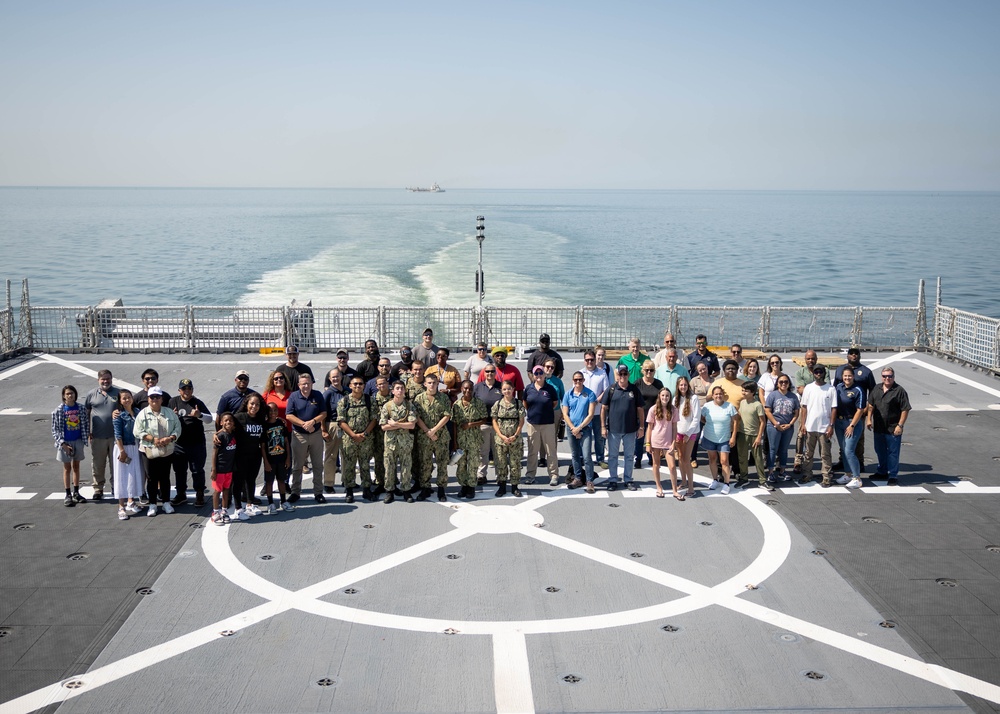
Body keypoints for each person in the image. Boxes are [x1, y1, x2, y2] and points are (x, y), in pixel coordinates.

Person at [133, 386, 181, 517]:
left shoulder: (169, 413)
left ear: (162, 399)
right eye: (152, 397)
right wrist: (153, 439)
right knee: (152, 478)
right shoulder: (142, 414)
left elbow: (178, 428)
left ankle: (166, 502)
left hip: (166, 449)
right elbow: (137, 431)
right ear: (148, 399)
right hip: (149, 450)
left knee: (165, 477)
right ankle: (152, 504)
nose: (155, 399)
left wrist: (170, 438)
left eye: (157, 397)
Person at [168, 378, 212, 508]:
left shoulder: (197, 402)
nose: (187, 391)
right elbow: (165, 419)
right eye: (184, 389)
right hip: (179, 444)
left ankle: (199, 493)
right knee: (179, 471)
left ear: (192, 390)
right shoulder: (173, 401)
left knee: (197, 470)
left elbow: (209, 419)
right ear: (179, 390)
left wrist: (199, 415)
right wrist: (173, 417)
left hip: (196, 444)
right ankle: (181, 494)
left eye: (189, 388)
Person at [601, 364, 645, 491]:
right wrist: (603, 426)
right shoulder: (611, 389)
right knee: (613, 456)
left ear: (628, 375)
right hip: (613, 430)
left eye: (625, 374)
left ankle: (628, 479)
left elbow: (640, 409)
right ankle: (613, 480)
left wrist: (641, 427)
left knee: (629, 456)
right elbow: (603, 408)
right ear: (617, 375)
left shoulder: (634, 390)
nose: (623, 376)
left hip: (630, 429)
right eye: (621, 374)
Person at [285, 373, 327, 503]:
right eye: (303, 383)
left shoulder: (318, 395)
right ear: (299, 385)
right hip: (299, 435)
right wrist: (304, 424)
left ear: (312, 383)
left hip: (315, 434)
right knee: (297, 465)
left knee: (318, 465)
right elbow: (289, 415)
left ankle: (318, 492)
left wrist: (313, 422)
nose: (306, 386)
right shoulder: (294, 396)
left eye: (308, 383)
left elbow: (324, 413)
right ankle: (295, 492)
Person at [833, 347, 877, 472]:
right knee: (843, 440)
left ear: (859, 356)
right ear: (847, 356)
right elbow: (835, 388)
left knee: (858, 439)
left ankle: (860, 462)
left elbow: (873, 393)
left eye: (856, 354)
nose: (853, 356)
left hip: (858, 411)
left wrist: (867, 410)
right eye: (851, 353)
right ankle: (843, 461)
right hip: (842, 411)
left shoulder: (866, 372)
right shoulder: (840, 370)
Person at [867, 366, 911, 486]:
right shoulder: (877, 388)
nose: (887, 378)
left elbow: (905, 409)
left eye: (889, 376)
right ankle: (882, 471)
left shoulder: (899, 391)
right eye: (884, 376)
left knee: (893, 453)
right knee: (879, 451)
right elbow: (870, 405)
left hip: (893, 428)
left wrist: (900, 425)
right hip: (879, 427)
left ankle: (893, 475)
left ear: (893, 377)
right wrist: (868, 419)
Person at [338, 376, 377, 503]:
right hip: (349, 439)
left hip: (366, 439)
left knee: (365, 464)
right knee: (349, 465)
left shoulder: (369, 400)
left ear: (364, 386)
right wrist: (353, 435)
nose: (358, 386)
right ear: (350, 386)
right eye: (355, 384)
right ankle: (349, 490)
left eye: (360, 384)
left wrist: (365, 434)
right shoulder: (344, 401)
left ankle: (366, 489)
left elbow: (374, 419)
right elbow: (341, 421)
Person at [413, 374, 452, 501]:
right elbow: (417, 417)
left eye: (434, 382)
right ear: (425, 384)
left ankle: (441, 489)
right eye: (429, 382)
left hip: (440, 436)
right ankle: (425, 488)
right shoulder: (419, 398)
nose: (432, 385)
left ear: (438, 383)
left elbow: (446, 415)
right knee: (425, 463)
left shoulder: (443, 398)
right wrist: (427, 431)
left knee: (442, 463)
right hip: (424, 437)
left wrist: (434, 430)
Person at [799, 364, 838, 487]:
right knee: (808, 453)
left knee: (825, 454)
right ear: (813, 374)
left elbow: (834, 409)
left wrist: (831, 425)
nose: (818, 374)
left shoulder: (831, 389)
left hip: (825, 428)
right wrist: (803, 424)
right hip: (810, 427)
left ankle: (826, 476)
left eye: (821, 372)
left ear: (824, 373)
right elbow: (804, 407)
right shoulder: (808, 388)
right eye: (816, 372)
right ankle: (807, 474)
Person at [85, 369, 119, 500]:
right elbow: (87, 413)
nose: (106, 381)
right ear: (98, 380)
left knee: (115, 464)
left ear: (111, 379)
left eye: (108, 379)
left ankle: (116, 487)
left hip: (116, 436)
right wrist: (87, 432)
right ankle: (98, 488)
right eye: (103, 379)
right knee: (98, 464)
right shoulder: (91, 394)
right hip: (97, 436)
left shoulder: (118, 393)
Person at [380, 382, 417, 503]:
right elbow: (384, 427)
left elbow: (411, 425)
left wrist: (396, 424)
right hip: (391, 442)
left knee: (406, 466)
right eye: (397, 388)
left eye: (402, 388)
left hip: (405, 442)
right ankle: (389, 491)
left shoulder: (409, 406)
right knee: (389, 467)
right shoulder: (387, 406)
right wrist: (402, 426)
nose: (400, 390)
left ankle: (406, 490)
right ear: (393, 391)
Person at [52, 385, 89, 507]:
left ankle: (76, 492)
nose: (70, 395)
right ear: (64, 396)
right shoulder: (58, 410)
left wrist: (87, 435)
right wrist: (62, 444)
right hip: (65, 442)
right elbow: (55, 430)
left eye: (72, 393)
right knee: (67, 468)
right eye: (67, 393)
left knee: (76, 466)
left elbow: (86, 424)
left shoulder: (81, 408)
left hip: (78, 440)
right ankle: (67, 494)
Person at [523, 365, 560, 486]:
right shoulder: (528, 389)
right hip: (533, 424)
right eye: (536, 373)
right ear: (533, 376)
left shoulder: (550, 389)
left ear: (544, 374)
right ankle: (530, 475)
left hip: (548, 424)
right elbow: (525, 403)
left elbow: (554, 403)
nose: (538, 375)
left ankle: (554, 475)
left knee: (551, 451)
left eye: (540, 373)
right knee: (532, 451)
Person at [232, 393, 267, 519]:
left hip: (255, 455)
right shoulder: (238, 417)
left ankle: (249, 504)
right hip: (240, 455)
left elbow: (262, 441)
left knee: (251, 480)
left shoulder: (261, 419)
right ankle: (237, 509)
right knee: (238, 482)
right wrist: (217, 435)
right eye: (252, 403)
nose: (254, 406)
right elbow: (226, 425)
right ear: (247, 404)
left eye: (257, 404)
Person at [452, 380, 488, 499]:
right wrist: (455, 442)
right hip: (461, 440)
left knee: (472, 464)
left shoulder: (478, 403)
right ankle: (463, 486)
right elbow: (455, 424)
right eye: (465, 388)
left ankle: (471, 487)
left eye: (470, 389)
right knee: (461, 465)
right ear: (462, 388)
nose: (468, 391)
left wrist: (471, 424)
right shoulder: (456, 405)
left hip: (474, 440)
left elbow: (484, 419)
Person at [561, 371, 596, 490]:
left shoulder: (590, 394)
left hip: (585, 428)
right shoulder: (568, 394)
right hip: (571, 428)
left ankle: (589, 480)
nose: (578, 382)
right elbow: (565, 414)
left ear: (583, 380)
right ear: (573, 380)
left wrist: (579, 428)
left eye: (580, 379)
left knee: (586, 456)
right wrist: (573, 428)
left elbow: (590, 414)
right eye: (575, 379)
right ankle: (577, 477)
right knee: (575, 455)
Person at [792, 350, 826, 474]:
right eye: (808, 359)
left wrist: (808, 389)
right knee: (801, 433)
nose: (810, 361)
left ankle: (824, 462)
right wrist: (816, 389)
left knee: (822, 435)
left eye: (812, 358)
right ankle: (798, 460)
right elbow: (801, 391)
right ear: (805, 360)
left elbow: (825, 388)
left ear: (816, 359)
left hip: (820, 408)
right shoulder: (800, 372)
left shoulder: (823, 370)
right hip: (804, 407)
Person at [700, 386, 738, 494]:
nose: (718, 396)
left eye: (720, 394)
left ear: (723, 395)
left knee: (724, 461)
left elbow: (735, 421)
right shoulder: (707, 406)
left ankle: (726, 484)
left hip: (725, 438)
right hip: (709, 437)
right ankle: (715, 480)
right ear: (712, 396)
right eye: (716, 394)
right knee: (712, 459)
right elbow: (702, 418)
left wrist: (733, 436)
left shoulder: (729, 406)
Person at [834, 370, 867, 489]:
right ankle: (848, 474)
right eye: (845, 376)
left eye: (849, 376)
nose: (847, 378)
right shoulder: (838, 387)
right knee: (843, 450)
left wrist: (852, 425)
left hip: (852, 423)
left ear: (853, 377)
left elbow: (860, 409)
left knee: (849, 450)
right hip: (839, 422)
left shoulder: (858, 390)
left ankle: (857, 478)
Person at [764, 375, 800, 487]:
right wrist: (776, 424)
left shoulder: (793, 396)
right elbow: (767, 411)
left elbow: (796, 412)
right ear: (777, 384)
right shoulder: (772, 395)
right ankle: (770, 472)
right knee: (773, 449)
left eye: (786, 382)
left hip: (788, 427)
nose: (783, 384)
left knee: (784, 450)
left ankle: (782, 471)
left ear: (789, 383)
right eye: (781, 382)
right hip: (774, 426)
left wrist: (790, 424)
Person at [491, 380, 525, 497]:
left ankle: (515, 487)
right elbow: (494, 420)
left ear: (513, 389)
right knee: (501, 463)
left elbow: (521, 421)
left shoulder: (518, 404)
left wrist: (515, 435)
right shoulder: (498, 404)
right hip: (501, 440)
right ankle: (502, 486)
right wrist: (501, 435)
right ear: (501, 391)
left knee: (515, 463)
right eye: (504, 389)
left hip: (515, 439)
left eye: (509, 389)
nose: (507, 391)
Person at [113, 389, 142, 519]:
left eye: (129, 397)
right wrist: (122, 451)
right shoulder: (118, 415)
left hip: (134, 447)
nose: (127, 400)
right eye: (124, 398)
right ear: (120, 401)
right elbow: (117, 434)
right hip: (123, 447)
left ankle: (131, 501)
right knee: (121, 477)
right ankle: (121, 507)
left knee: (133, 475)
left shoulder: (137, 412)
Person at [645, 388, 679, 500]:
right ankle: (659, 487)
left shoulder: (674, 410)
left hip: (668, 442)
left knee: (672, 466)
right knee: (656, 464)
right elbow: (649, 428)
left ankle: (675, 490)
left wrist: (674, 443)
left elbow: (674, 428)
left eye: (667, 396)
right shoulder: (653, 409)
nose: (665, 398)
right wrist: (648, 443)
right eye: (663, 395)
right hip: (655, 441)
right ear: (659, 396)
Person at [473, 365, 504, 485]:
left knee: (498, 452)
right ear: (484, 373)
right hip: (483, 424)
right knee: (483, 452)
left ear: (495, 372)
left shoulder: (501, 386)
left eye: (492, 371)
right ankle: (481, 475)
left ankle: (500, 475)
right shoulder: (478, 387)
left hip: (499, 425)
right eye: (487, 371)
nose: (490, 373)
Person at [262, 402, 293, 512]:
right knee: (269, 482)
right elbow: (263, 445)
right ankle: (270, 503)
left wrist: (288, 457)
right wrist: (265, 461)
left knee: (281, 480)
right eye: (270, 411)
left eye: (275, 410)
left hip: (282, 458)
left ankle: (283, 501)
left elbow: (286, 441)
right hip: (270, 459)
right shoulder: (264, 426)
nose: (273, 413)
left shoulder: (281, 423)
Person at [581, 349, 610, 468]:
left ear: (595, 360)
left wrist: (596, 400)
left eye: (591, 360)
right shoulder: (580, 374)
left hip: (598, 411)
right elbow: (576, 390)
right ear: (584, 361)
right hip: (584, 412)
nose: (589, 362)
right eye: (587, 360)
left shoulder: (602, 373)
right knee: (584, 437)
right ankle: (584, 457)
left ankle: (600, 458)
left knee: (599, 437)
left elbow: (606, 390)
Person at [320, 368, 346, 495]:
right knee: (331, 455)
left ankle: (347, 480)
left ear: (341, 377)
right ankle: (328, 483)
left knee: (346, 454)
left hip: (346, 426)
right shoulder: (328, 394)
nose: (335, 379)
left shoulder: (347, 391)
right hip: (333, 425)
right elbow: (322, 413)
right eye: (333, 377)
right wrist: (324, 430)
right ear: (330, 379)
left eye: (337, 376)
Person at [673, 376, 700, 498]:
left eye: (685, 385)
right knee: (680, 458)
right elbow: (673, 417)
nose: (683, 387)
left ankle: (691, 487)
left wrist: (688, 434)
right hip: (679, 432)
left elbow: (696, 418)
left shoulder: (693, 398)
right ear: (678, 386)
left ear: (688, 386)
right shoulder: (675, 399)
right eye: (681, 385)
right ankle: (683, 481)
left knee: (687, 460)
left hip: (691, 433)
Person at [736, 381, 766, 489]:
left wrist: (759, 437)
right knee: (742, 458)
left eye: (746, 391)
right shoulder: (742, 402)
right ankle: (744, 478)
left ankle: (762, 480)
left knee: (758, 459)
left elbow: (762, 422)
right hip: (742, 434)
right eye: (742, 390)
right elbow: (740, 415)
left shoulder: (757, 405)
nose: (743, 392)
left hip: (754, 435)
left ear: (752, 392)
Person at [633, 362, 663, 468]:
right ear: (643, 371)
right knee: (639, 438)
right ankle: (638, 459)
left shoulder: (658, 384)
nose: (649, 372)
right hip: (640, 415)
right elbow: (634, 400)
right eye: (646, 370)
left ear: (654, 371)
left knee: (652, 438)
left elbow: (661, 399)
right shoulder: (637, 383)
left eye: (651, 370)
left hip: (655, 415)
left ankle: (652, 458)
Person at [210, 413, 237, 525]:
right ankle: (215, 512)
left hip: (229, 469)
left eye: (230, 420)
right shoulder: (220, 436)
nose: (228, 422)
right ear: (221, 423)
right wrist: (214, 469)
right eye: (225, 420)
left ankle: (224, 511)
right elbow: (214, 454)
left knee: (226, 490)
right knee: (217, 491)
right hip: (220, 469)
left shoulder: (233, 434)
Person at [688, 360, 716, 469]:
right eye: (700, 370)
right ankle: (693, 458)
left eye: (704, 369)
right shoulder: (694, 381)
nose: (702, 371)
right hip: (698, 412)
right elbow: (690, 396)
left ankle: (714, 458)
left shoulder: (714, 380)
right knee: (696, 436)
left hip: (711, 412)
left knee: (713, 435)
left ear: (707, 368)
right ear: (697, 371)